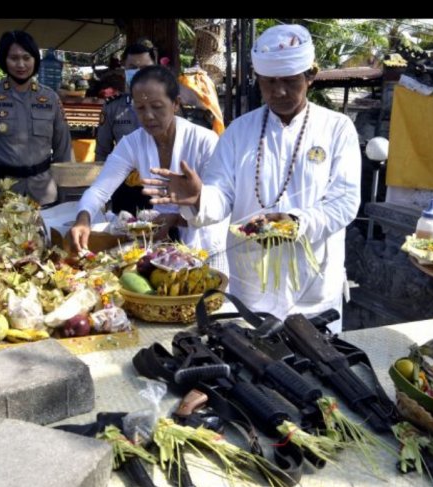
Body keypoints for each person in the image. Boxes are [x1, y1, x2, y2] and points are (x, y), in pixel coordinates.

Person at [143, 24, 361, 332]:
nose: (279, 91)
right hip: (252, 289)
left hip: (313, 292)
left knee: (313, 374)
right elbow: (220, 195)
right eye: (269, 82)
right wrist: (199, 198)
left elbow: (345, 202)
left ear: (310, 77)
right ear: (258, 80)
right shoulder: (238, 131)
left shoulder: (337, 128)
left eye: (289, 81)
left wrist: (296, 223)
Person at [71, 65, 229, 273]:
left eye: (157, 106)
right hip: (160, 247)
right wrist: (83, 218)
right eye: (141, 108)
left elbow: (219, 203)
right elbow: (100, 190)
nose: (148, 116)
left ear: (175, 104)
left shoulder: (205, 141)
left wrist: (181, 212)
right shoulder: (132, 143)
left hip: (205, 244)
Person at [0, 30, 71, 206]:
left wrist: (65, 196)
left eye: (26, 58)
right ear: (4, 61)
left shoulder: (50, 99)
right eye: (14, 58)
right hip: (2, 195)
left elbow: (63, 150)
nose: (21, 64)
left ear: (35, 60)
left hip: (43, 193)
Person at [95, 40, 158, 215]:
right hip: (123, 188)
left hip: (159, 187)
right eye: (132, 67)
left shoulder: (168, 107)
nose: (138, 73)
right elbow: (102, 153)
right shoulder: (113, 107)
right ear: (124, 69)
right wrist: (101, 196)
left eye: (145, 67)